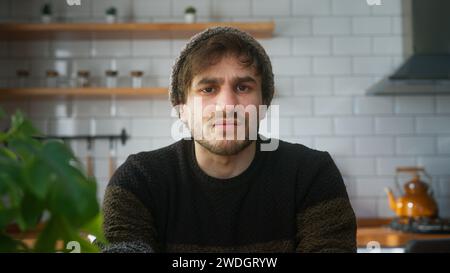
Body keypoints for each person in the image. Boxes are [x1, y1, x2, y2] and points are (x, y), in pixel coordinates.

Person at [102, 27, 356, 253]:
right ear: (181, 107)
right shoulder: (138, 181)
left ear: (264, 103)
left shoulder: (312, 175)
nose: (227, 105)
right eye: (208, 89)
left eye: (243, 87)